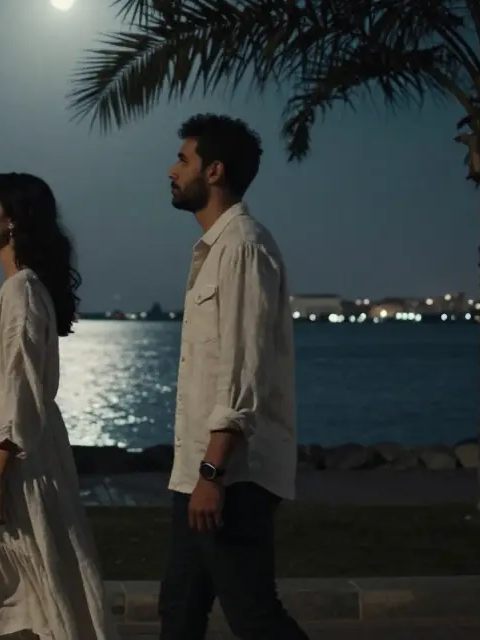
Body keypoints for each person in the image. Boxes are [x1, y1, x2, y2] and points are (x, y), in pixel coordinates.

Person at [0, 172, 118, 640]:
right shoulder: (18, 289)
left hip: (14, 468)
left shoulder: (23, 293)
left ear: (12, 221)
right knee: (39, 590)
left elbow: (23, 390)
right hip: (6, 463)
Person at [158, 114, 309, 640]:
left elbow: (243, 369)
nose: (172, 170)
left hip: (231, 476)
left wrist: (212, 474)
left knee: (254, 615)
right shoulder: (215, 250)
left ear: (214, 171)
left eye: (183, 159)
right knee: (179, 608)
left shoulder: (243, 246)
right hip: (201, 473)